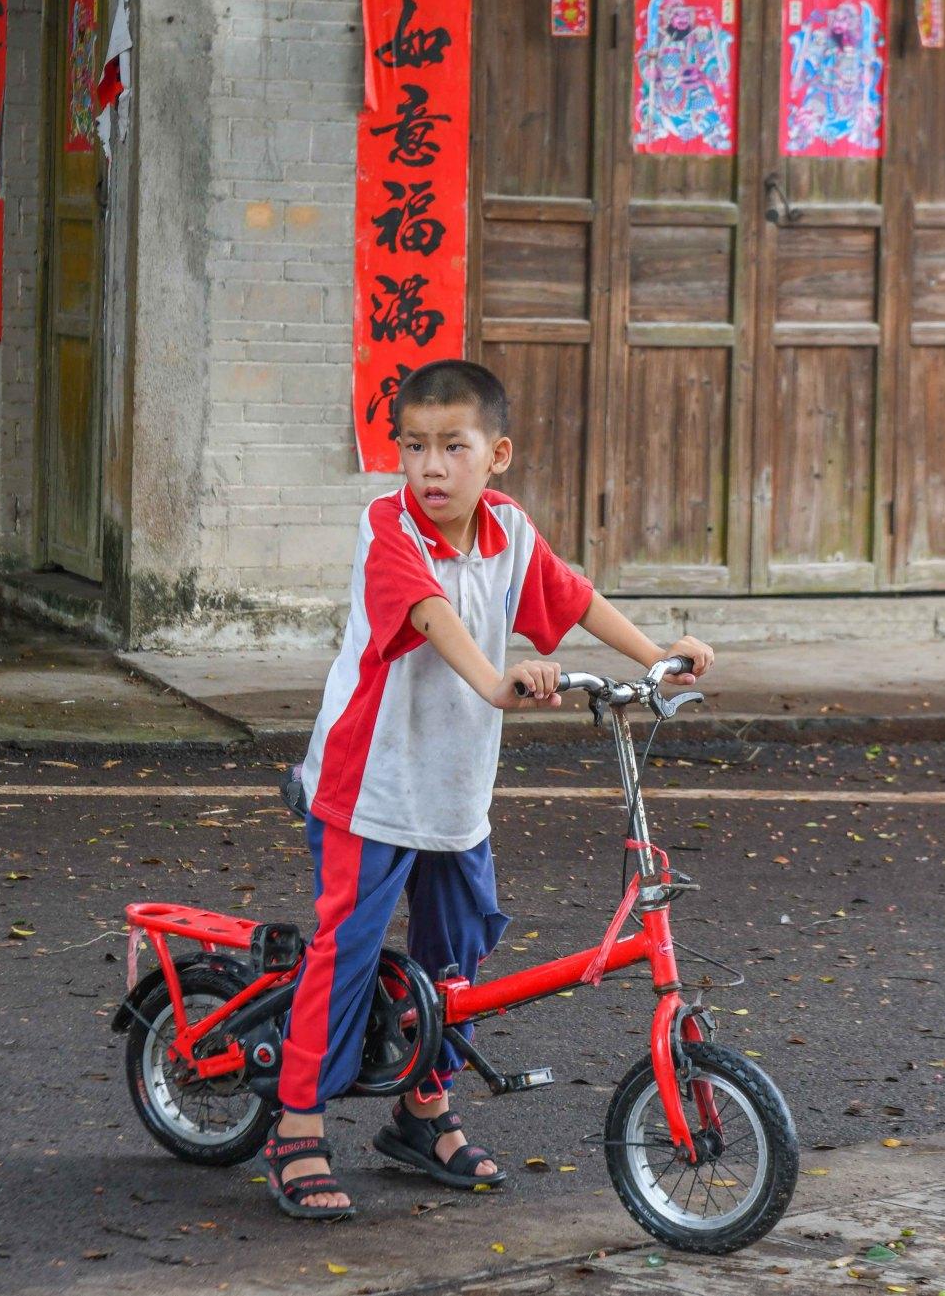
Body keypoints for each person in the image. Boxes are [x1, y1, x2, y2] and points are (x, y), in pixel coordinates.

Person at [263, 357, 714, 1220]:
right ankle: (295, 1126)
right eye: (413, 446)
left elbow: (572, 597)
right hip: (370, 784)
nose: (430, 466)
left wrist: (659, 653)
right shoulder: (386, 527)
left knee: (460, 954)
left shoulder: (509, 529)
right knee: (346, 953)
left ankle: (422, 1108)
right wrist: (495, 678)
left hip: (453, 791)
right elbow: (429, 612)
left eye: (452, 447)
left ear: (496, 453)